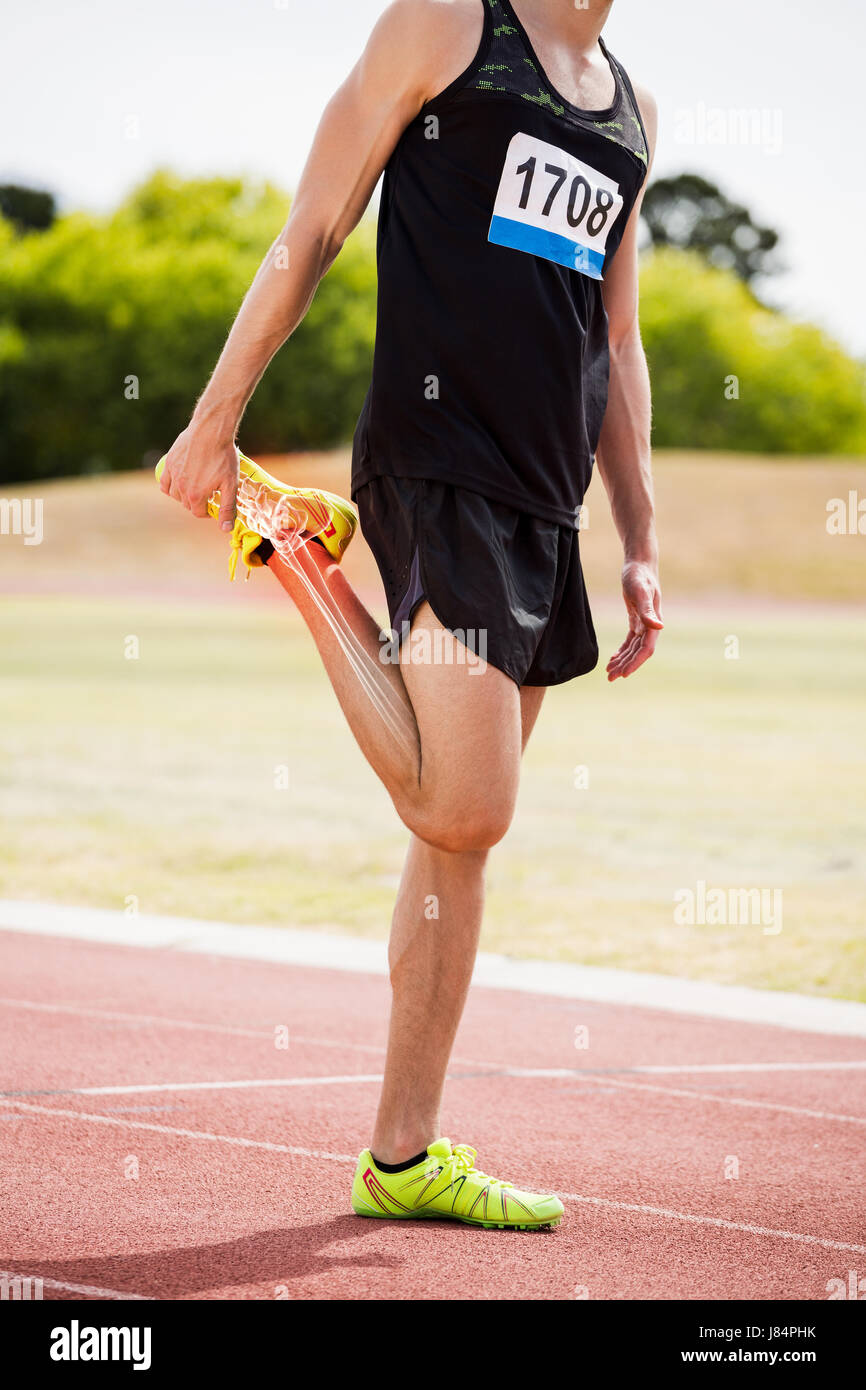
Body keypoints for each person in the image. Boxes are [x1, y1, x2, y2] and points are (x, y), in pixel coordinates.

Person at [157, 0, 662, 1230]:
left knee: (452, 848)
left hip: (546, 498)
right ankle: (293, 553)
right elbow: (313, 226)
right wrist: (218, 415)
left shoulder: (632, 108)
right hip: (437, 460)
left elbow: (617, 335)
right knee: (466, 802)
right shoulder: (446, 22)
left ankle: (400, 1159)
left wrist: (641, 539)